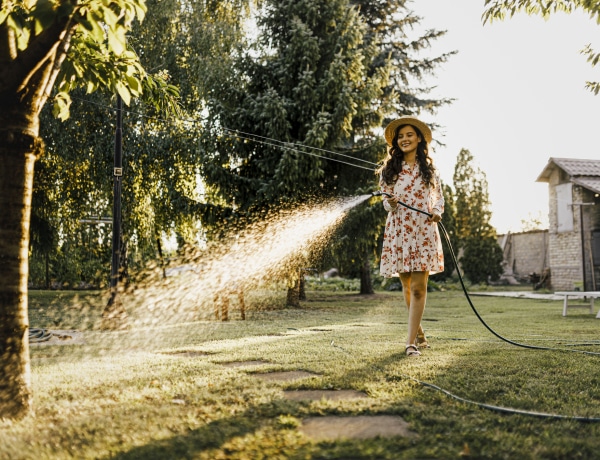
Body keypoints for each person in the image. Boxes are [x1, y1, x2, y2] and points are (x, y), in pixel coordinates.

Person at [376, 115, 444, 357]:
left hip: (424, 231)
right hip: (400, 231)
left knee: (418, 288)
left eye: (409, 135)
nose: (404, 139)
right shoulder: (389, 171)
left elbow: (439, 199)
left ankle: (410, 343)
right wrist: (391, 203)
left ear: (418, 139)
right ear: (396, 142)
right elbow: (386, 203)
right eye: (401, 136)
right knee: (406, 286)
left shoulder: (429, 170)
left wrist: (436, 212)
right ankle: (420, 332)